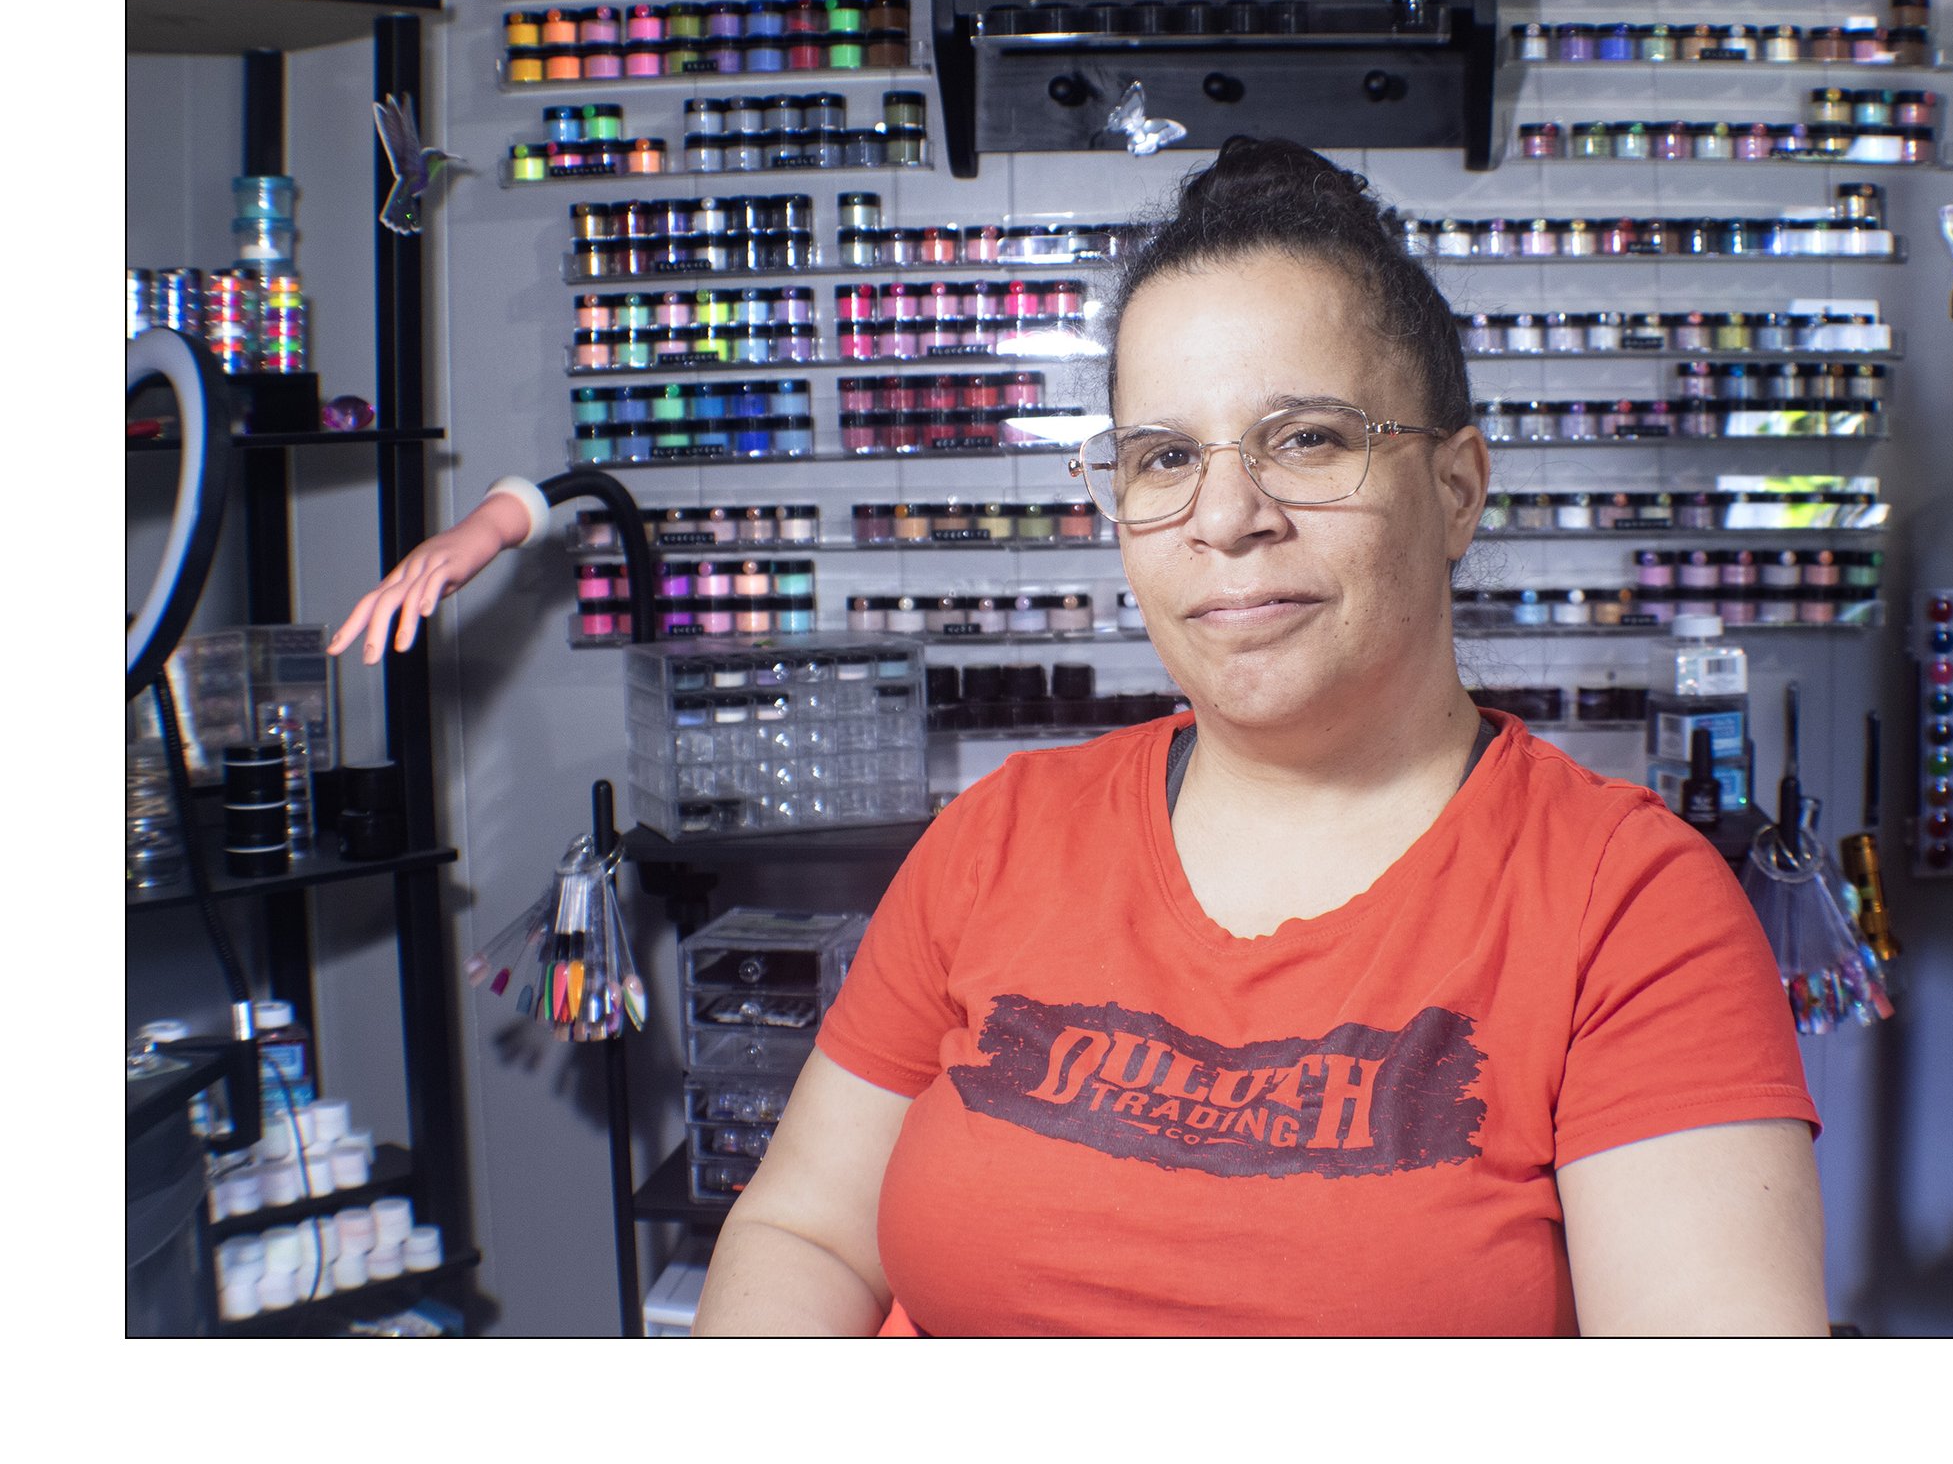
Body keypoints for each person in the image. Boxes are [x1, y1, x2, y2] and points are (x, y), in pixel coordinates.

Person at [331, 137, 1828, 1337]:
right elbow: (800, 1229)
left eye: (1306, 437)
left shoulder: (1628, 908)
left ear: (1455, 487)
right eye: (1166, 456)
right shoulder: (998, 838)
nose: (1227, 517)